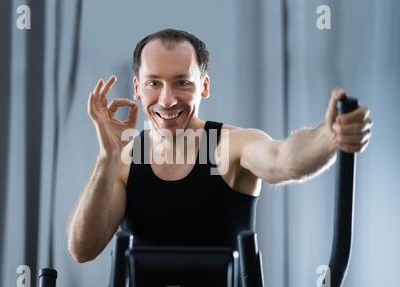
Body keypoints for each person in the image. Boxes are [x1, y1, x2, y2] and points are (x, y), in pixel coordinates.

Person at [67, 29, 373, 263]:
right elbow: (83, 248)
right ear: (137, 87)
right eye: (154, 83)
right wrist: (106, 156)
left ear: (204, 86)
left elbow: (285, 159)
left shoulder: (228, 146)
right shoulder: (125, 159)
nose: (167, 100)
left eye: (182, 83)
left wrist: (329, 135)